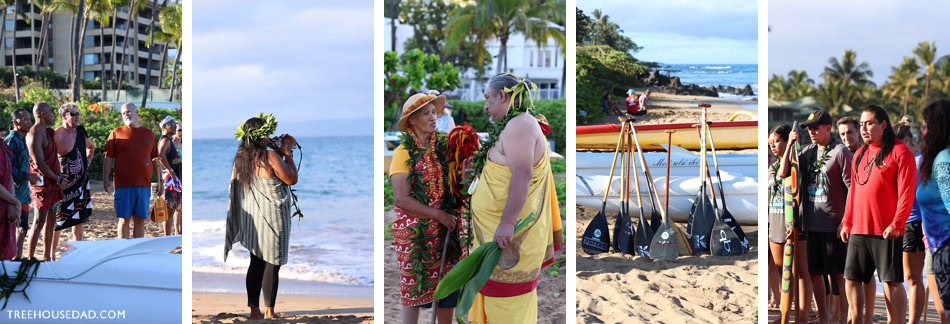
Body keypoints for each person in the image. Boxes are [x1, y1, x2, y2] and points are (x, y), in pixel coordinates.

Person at [465, 73, 562, 323]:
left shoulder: (520, 125)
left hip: (510, 237)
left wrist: (507, 223)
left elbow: (521, 175)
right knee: (489, 296)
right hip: (492, 234)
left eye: (487, 98)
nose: (485, 105)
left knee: (506, 304)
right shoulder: (512, 125)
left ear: (502, 95)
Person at [390, 93, 467, 324]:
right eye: (426, 113)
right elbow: (401, 200)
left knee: (448, 290)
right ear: (412, 120)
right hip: (414, 234)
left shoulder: (444, 144)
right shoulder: (403, 152)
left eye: (435, 112)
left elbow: (460, 175)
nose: (434, 117)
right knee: (413, 290)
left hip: (447, 230)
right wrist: (438, 215)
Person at [839, 105, 915, 324]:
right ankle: (857, 319)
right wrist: (846, 222)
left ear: (883, 124)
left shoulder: (900, 152)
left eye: (869, 123)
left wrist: (897, 224)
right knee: (851, 279)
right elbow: (853, 191)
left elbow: (907, 194)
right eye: (861, 124)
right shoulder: (860, 153)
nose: (864, 128)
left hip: (886, 230)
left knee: (892, 282)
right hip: (858, 229)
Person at [223, 114, 298, 320]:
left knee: (256, 262)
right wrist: (287, 153)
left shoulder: (241, 158)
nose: (269, 137)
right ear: (260, 135)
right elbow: (291, 179)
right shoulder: (270, 156)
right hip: (274, 216)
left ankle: (254, 311)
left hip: (254, 217)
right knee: (272, 264)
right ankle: (269, 311)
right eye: (267, 133)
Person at [781, 110, 852, 324]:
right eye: (808, 128)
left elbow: (852, 190)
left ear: (828, 128)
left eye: (816, 127)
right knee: (815, 274)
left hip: (834, 225)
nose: (811, 131)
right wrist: (790, 147)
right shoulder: (807, 151)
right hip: (810, 225)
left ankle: (842, 317)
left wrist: (846, 221)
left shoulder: (840, 152)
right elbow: (784, 173)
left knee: (837, 275)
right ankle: (823, 318)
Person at [103, 103, 170, 239]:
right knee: (124, 219)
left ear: (136, 112)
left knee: (140, 220)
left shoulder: (149, 134)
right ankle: (123, 250)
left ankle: (136, 253)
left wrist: (160, 181)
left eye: (128, 111)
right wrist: (105, 178)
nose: (126, 114)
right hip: (123, 185)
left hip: (144, 186)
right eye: (123, 113)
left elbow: (155, 160)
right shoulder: (116, 133)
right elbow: (108, 157)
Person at [769, 125, 812, 312]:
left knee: (801, 272)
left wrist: (791, 147)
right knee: (781, 270)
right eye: (770, 143)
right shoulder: (772, 167)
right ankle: (786, 311)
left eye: (777, 141)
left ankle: (802, 314)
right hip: (776, 223)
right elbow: (778, 174)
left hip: (795, 224)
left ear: (787, 141)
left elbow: (785, 173)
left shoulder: (797, 163)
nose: (773, 146)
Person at [917, 99, 950, 323]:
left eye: (925, 126)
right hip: (938, 247)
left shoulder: (943, 160)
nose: (922, 131)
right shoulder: (939, 158)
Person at [50, 103, 94, 260]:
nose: (77, 117)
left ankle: (77, 256)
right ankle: (51, 256)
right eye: (74, 114)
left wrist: (88, 161)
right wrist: (56, 177)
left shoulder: (81, 131)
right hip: (63, 185)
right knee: (58, 223)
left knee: (79, 221)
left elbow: (91, 147)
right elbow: (47, 159)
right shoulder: (55, 135)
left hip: (81, 183)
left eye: (78, 114)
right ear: (64, 116)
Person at [896, 122, 927, 324]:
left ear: (905, 141)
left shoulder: (918, 162)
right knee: (904, 277)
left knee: (913, 277)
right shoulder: (905, 162)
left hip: (914, 224)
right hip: (900, 224)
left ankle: (912, 321)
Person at [26, 103, 64, 261]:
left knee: (52, 218)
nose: (53, 115)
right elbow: (40, 164)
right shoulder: (35, 135)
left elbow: (54, 157)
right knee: (39, 220)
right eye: (51, 112)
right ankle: (30, 257)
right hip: (42, 182)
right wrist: (57, 179)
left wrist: (58, 177)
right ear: (42, 114)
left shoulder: (48, 132)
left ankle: (48, 256)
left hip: (54, 181)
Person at [5, 108, 38, 259]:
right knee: (16, 228)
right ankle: (14, 260)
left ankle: (17, 259)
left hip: (21, 193)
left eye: (29, 119)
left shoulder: (22, 139)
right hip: (12, 193)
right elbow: (8, 169)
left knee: (22, 228)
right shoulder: (12, 140)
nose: (29, 122)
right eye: (25, 119)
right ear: (15, 123)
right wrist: (27, 176)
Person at [156, 116, 181, 236]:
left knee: (173, 207)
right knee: (169, 209)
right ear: (165, 126)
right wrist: (170, 170)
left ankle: (170, 236)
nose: (175, 126)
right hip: (170, 180)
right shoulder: (165, 140)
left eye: (176, 124)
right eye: (172, 124)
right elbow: (160, 155)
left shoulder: (169, 140)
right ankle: (167, 237)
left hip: (174, 180)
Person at [0, 125, 18, 260]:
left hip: (5, 205)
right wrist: (15, 201)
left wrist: (11, 203)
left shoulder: (2, 145)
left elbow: (9, 175)